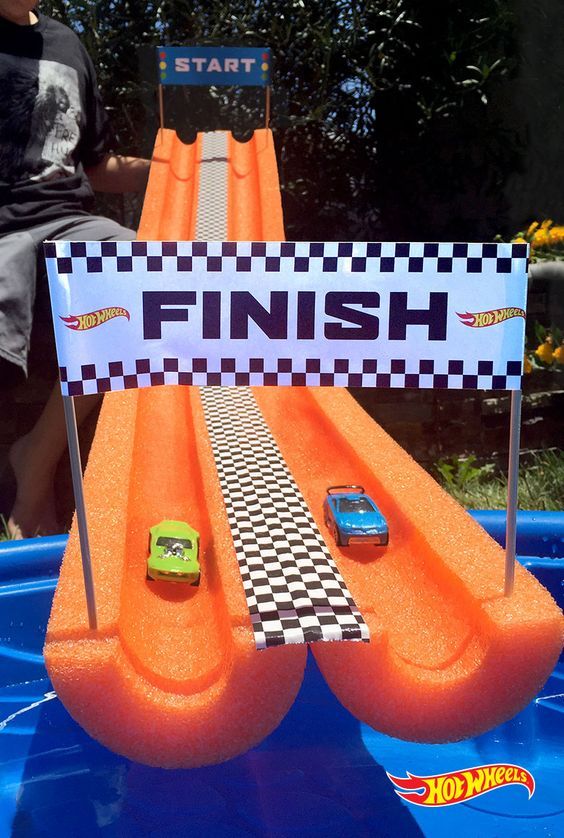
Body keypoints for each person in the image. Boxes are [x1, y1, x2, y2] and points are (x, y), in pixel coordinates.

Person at [0, 2, 151, 538]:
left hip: (68, 221)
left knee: (139, 268)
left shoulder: (67, 43)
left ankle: (35, 462)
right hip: (2, 229)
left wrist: (181, 171)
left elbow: (95, 165)